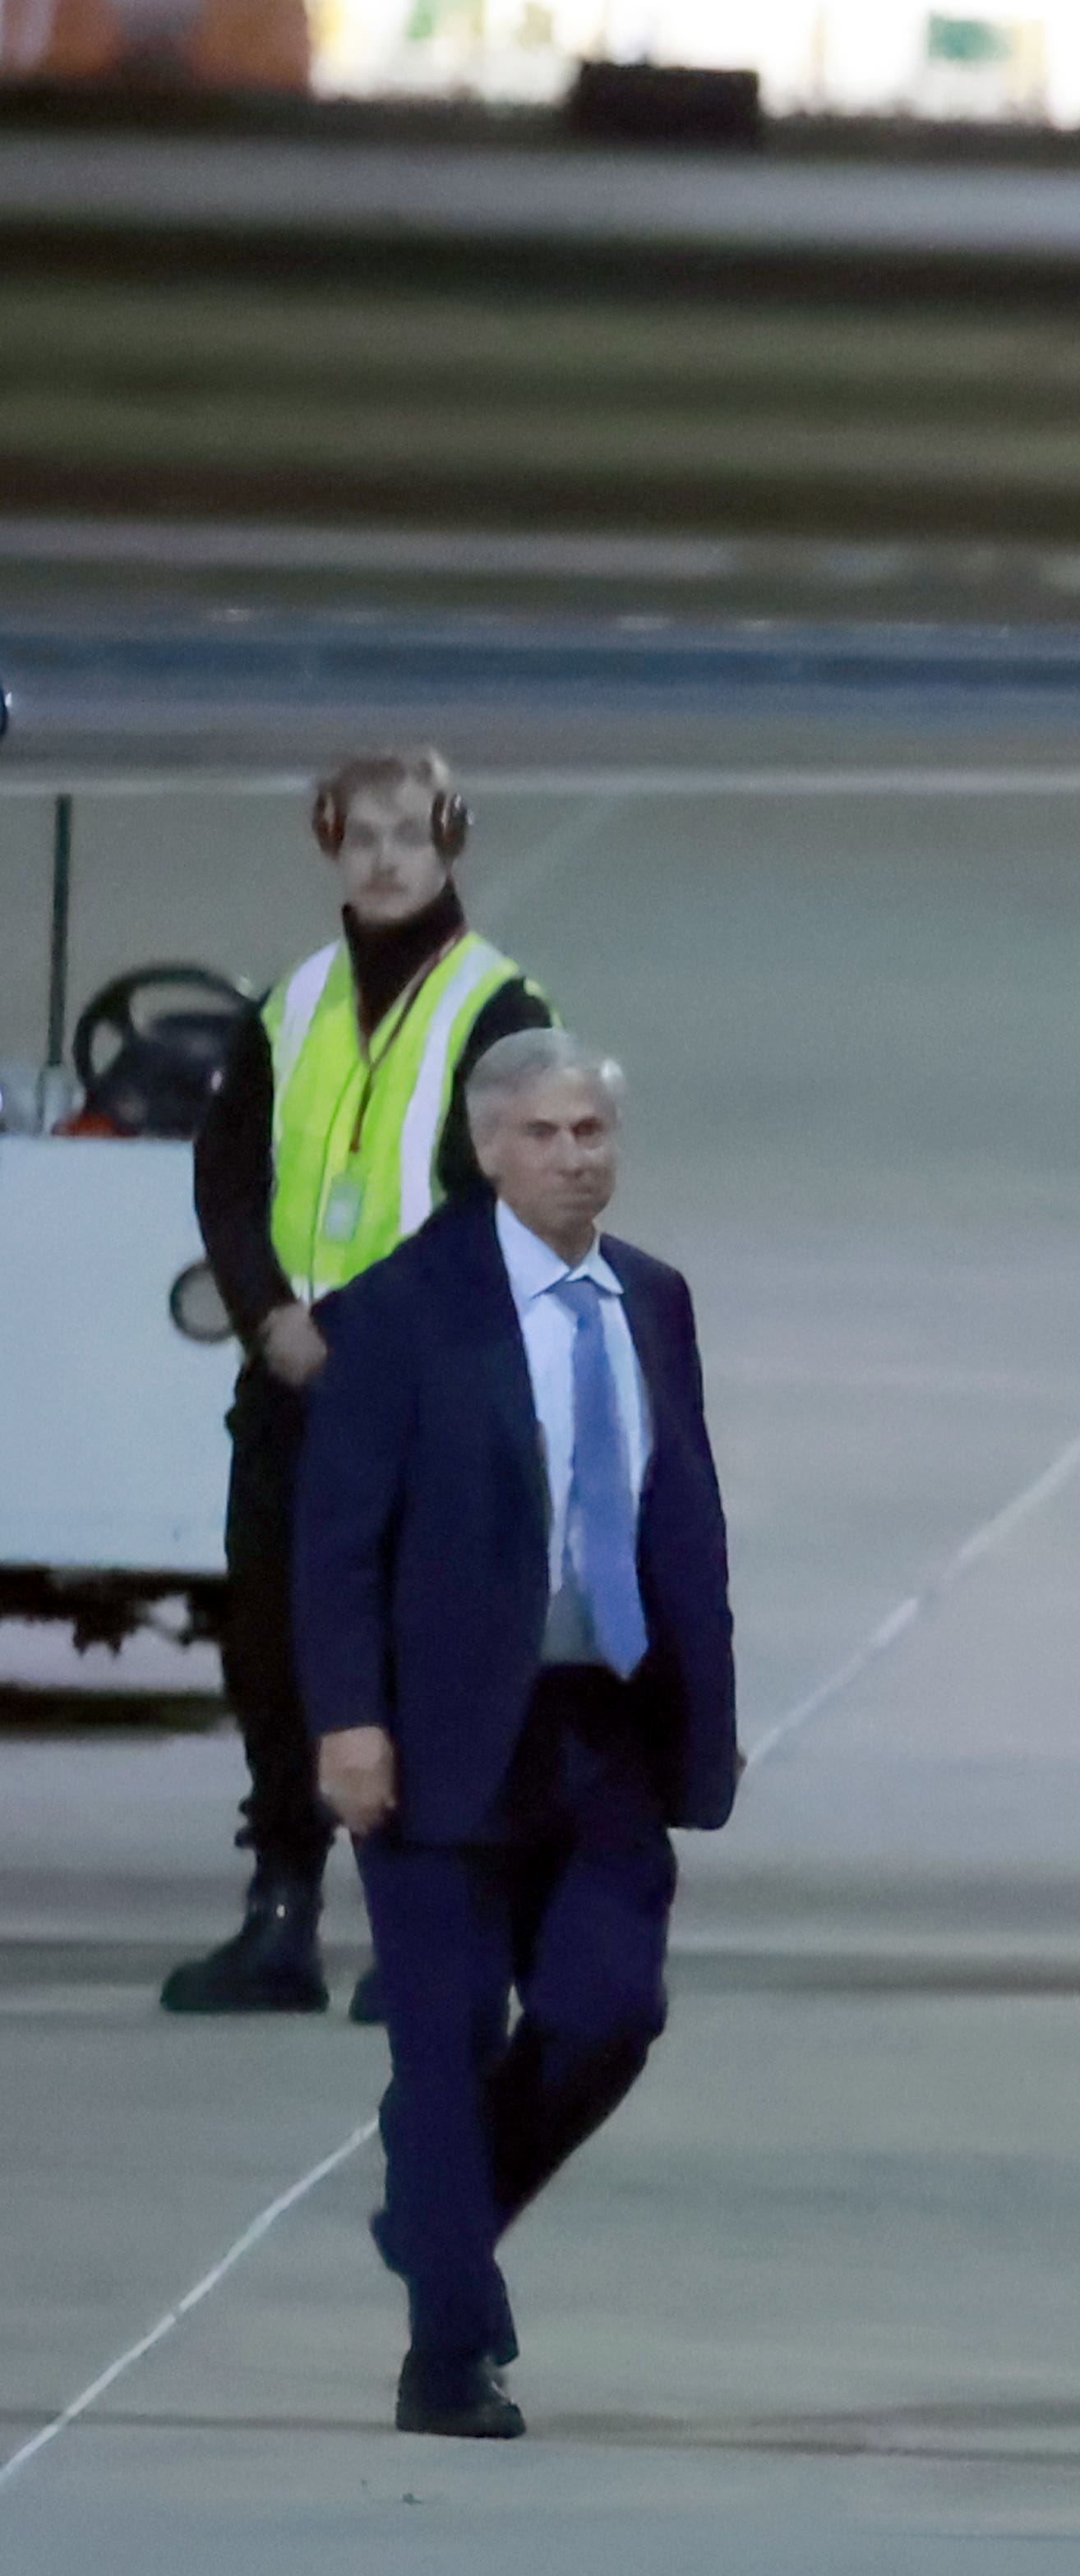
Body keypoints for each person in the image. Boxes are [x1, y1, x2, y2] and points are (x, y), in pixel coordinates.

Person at [293, 1030, 734, 2440]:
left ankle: (440, 2209)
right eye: (543, 1134)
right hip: (435, 1737)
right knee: (442, 2035)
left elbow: (684, 1520)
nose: (573, 1157)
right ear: (486, 1148)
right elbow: (337, 1544)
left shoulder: (651, 1301)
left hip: (601, 1723)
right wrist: (348, 1721)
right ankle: (449, 2351)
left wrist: (705, 1720)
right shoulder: (402, 1314)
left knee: (613, 2010)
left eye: (592, 1132)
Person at [169, 746, 554, 2017]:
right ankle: (281, 1911)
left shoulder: (499, 1010)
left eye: (408, 832)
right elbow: (227, 1181)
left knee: (423, 1662)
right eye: (362, 835)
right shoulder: (290, 1007)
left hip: (430, 1397)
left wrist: (362, 1331)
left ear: (450, 839)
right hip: (291, 1389)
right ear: (329, 845)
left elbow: (504, 1199)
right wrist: (269, 1316)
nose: (385, 857)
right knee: (275, 1651)